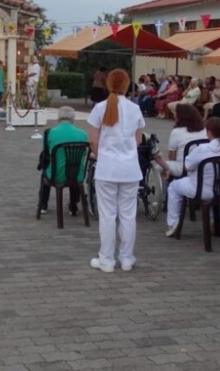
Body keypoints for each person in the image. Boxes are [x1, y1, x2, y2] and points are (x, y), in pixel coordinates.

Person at [87, 69, 146, 273]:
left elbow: (93, 140)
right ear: (127, 85)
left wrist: (100, 155)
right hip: (130, 168)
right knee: (128, 215)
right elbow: (138, 140)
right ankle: (127, 258)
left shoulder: (99, 108)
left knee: (107, 215)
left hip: (107, 168)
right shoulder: (135, 109)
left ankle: (107, 259)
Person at [165, 117, 220, 236]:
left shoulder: (202, 149)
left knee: (173, 187)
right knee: (211, 188)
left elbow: (187, 166)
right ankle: (212, 220)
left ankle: (174, 223)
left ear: (209, 132)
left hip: (201, 190)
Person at [37, 106, 90, 216]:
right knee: (74, 166)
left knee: (46, 168)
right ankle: (73, 205)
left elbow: (47, 153)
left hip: (56, 174)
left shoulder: (49, 133)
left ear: (58, 118)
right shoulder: (83, 134)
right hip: (77, 175)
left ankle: (43, 204)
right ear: (73, 118)